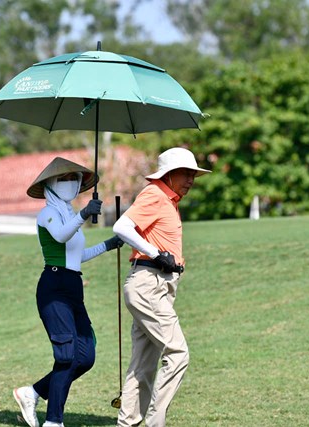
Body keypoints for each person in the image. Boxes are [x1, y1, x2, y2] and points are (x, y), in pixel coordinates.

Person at [13, 157, 123, 427]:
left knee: (85, 357)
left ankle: (33, 392)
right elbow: (61, 236)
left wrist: (108, 245)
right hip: (53, 288)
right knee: (66, 355)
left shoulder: (67, 212)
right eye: (63, 178)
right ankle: (54, 422)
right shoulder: (48, 213)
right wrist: (84, 214)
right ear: (49, 184)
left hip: (73, 286)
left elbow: (76, 255)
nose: (71, 183)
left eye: (74, 178)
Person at [112, 147, 211, 427]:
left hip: (154, 286)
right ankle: (156, 422)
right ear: (168, 175)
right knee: (178, 353)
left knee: (142, 365)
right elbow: (121, 227)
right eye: (186, 173)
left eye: (194, 175)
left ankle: (127, 423)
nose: (191, 179)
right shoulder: (155, 194)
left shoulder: (170, 200)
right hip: (149, 285)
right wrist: (156, 253)